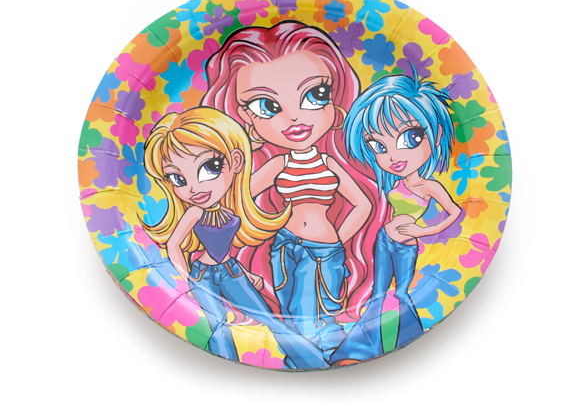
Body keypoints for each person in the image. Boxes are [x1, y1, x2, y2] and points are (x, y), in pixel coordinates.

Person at [201, 21, 379, 364]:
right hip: (284, 247)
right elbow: (239, 196)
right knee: (292, 316)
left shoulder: (329, 163)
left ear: (335, 99)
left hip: (324, 250)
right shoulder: (278, 164)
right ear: (246, 118)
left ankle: (325, 362)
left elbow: (363, 204)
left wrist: (336, 241)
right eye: (265, 106)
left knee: (319, 318)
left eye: (316, 95)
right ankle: (310, 363)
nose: (294, 117)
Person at [141, 107, 328, 369]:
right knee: (218, 325)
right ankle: (224, 370)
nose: (193, 187)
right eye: (177, 178)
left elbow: (225, 251)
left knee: (269, 318)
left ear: (236, 161)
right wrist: (188, 279)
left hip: (231, 270)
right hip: (202, 274)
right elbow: (173, 245)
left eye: (209, 167)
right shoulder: (194, 212)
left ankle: (314, 361)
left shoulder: (232, 208)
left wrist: (246, 274)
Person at [330, 70, 461, 364]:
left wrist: (423, 231)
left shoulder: (429, 186)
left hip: (405, 245)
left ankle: (408, 340)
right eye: (378, 146)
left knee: (401, 295)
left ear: (436, 136)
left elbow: (454, 211)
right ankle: (355, 350)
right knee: (378, 295)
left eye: (410, 138)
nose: (392, 156)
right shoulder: (394, 181)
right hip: (384, 239)